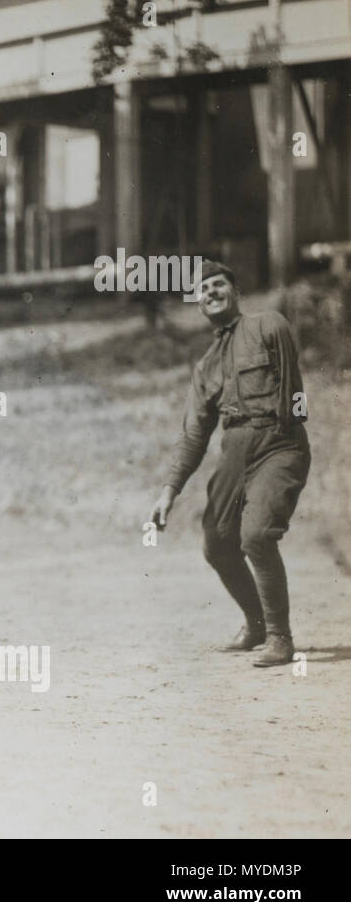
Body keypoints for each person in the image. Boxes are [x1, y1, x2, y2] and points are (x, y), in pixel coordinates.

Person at [148, 260, 310, 667]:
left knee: (255, 535)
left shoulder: (268, 326)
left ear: (235, 292)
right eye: (203, 290)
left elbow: (296, 390)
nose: (211, 293)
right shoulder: (205, 367)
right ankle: (255, 623)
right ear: (198, 304)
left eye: (219, 285)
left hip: (278, 442)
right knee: (218, 541)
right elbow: (193, 434)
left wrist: (289, 435)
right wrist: (169, 491)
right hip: (234, 450)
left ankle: (280, 638)